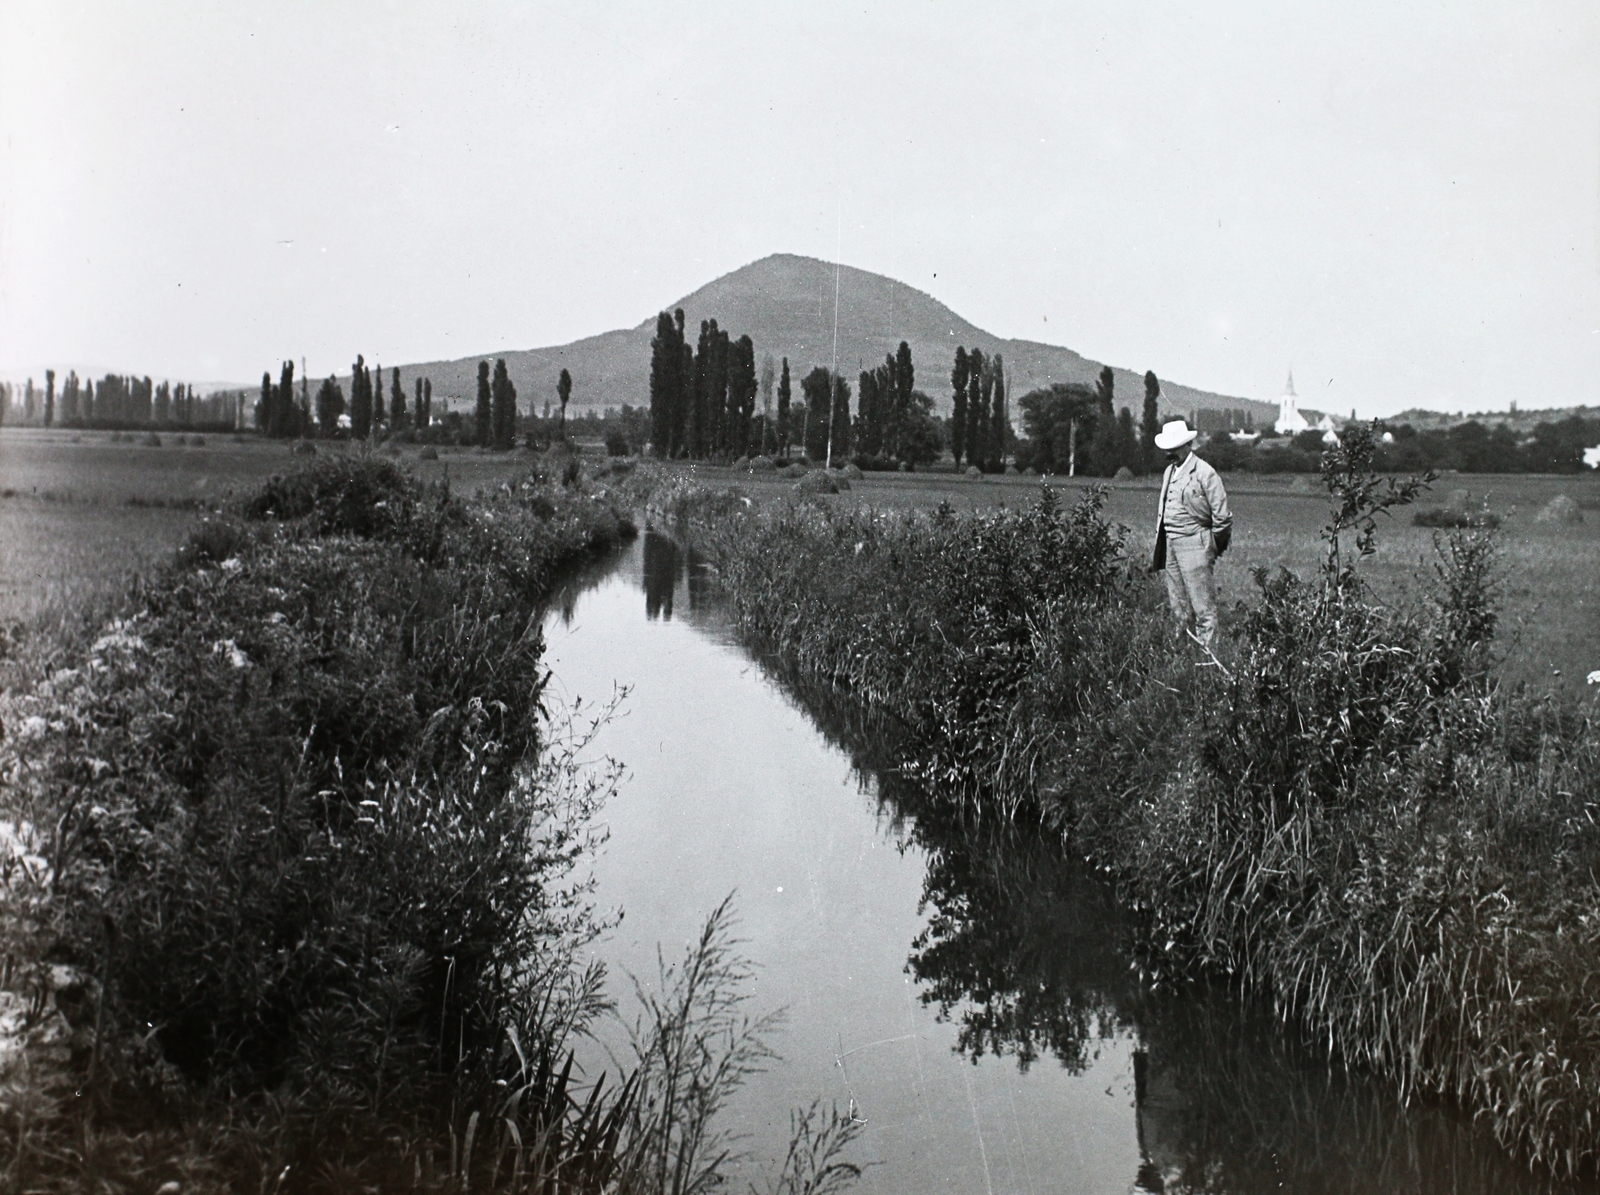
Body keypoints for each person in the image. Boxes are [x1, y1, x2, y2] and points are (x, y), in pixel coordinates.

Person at [1150, 420, 1231, 647]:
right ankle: (1182, 650)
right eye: (1168, 449)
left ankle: (1209, 656)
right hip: (1169, 545)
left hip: (1195, 545)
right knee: (1178, 604)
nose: (1170, 453)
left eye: (1174, 448)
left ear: (1188, 445)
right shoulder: (1169, 471)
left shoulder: (1205, 473)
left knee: (1202, 605)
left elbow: (1222, 517)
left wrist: (1210, 546)